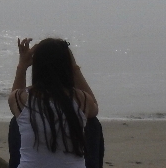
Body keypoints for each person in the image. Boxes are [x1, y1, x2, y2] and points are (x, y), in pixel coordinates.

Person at [7, 37, 103, 168]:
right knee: (92, 122)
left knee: (18, 119)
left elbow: (14, 105)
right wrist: (74, 67)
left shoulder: (20, 97)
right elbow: (94, 109)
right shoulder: (82, 99)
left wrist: (22, 65)